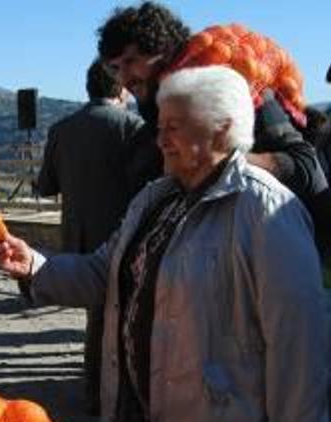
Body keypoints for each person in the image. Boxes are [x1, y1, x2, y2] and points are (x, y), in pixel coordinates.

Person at [0, 66, 328, 422]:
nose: (160, 138)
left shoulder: (266, 212)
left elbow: (297, 348)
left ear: (222, 131)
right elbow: (103, 273)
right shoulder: (156, 198)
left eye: (175, 127)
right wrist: (36, 264)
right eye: (160, 126)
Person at [97, 1, 331, 258]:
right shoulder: (145, 139)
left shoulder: (237, 90)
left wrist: (221, 162)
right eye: (115, 68)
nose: (124, 78)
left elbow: (305, 167)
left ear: (163, 53)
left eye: (131, 61)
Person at [36, 59, 144, 414]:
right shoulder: (132, 126)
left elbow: (46, 185)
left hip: (75, 233)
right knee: (119, 316)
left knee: (96, 317)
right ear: (120, 88)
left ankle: (95, 390)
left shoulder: (61, 128)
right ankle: (107, 395)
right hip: (118, 234)